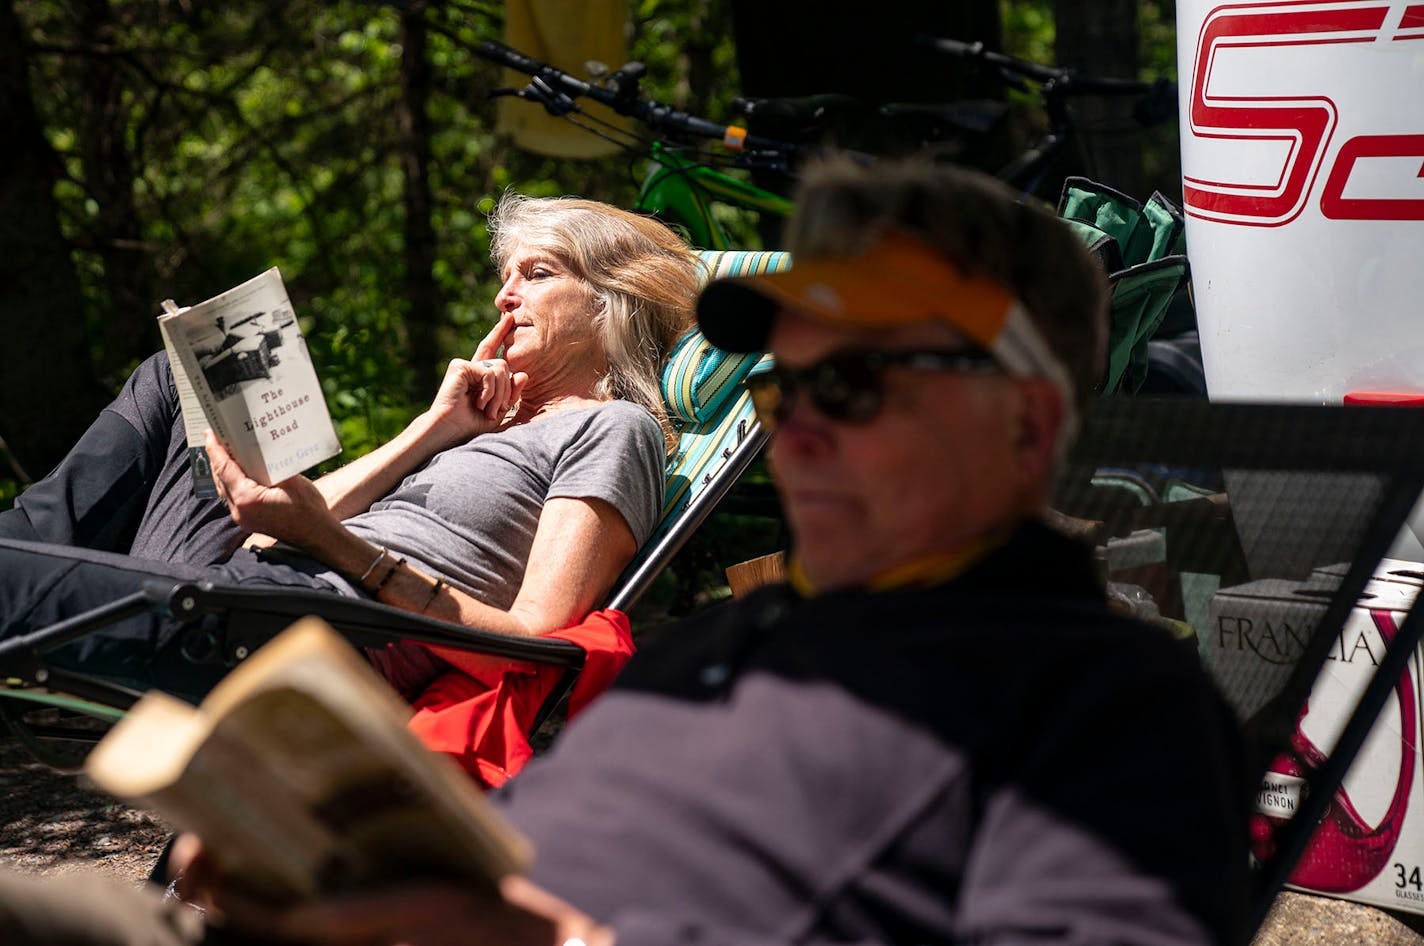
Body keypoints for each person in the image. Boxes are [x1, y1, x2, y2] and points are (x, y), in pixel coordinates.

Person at [0, 155, 1251, 946]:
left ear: (1025, 422)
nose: (800, 428)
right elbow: (536, 839)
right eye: (793, 385)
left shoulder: (1103, 703)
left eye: (863, 384)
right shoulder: (726, 645)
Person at [0, 193, 699, 703]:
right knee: (182, 378)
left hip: (305, 633)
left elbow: (531, 645)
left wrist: (334, 548)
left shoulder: (614, 429)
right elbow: (297, 518)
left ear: (613, 302)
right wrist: (436, 428)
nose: (502, 298)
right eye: (504, 277)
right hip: (248, 576)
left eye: (537, 274)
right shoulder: (491, 425)